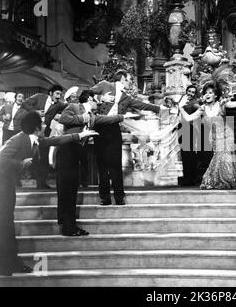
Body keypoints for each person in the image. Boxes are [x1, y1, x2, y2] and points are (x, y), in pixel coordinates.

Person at [0, 112, 97, 276]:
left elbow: (56, 140)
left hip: (6, 183)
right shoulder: (17, 139)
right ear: (35, 127)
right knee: (2, 225)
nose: (44, 125)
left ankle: (12, 263)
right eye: (41, 123)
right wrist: (21, 164)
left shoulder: (36, 139)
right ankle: (6, 266)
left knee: (7, 223)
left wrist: (80, 135)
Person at [57, 90, 128, 236]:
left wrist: (124, 116)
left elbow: (107, 119)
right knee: (66, 190)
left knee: (72, 190)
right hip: (66, 151)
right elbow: (63, 118)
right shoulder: (75, 107)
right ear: (89, 99)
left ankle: (69, 225)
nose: (99, 103)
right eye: (97, 100)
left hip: (75, 152)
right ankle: (67, 226)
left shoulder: (93, 117)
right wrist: (82, 118)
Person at [90, 70, 163, 205]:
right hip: (100, 129)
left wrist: (159, 108)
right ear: (123, 78)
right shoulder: (105, 85)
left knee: (116, 164)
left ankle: (119, 197)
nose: (131, 82)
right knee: (102, 165)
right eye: (129, 79)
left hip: (114, 130)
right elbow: (85, 95)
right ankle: (104, 197)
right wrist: (100, 99)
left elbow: (141, 105)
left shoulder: (126, 97)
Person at [179, 81, 236, 189]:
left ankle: (228, 181)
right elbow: (188, 118)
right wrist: (181, 107)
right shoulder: (202, 108)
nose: (207, 95)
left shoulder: (222, 104)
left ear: (215, 95)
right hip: (213, 137)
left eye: (210, 92)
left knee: (225, 158)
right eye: (206, 93)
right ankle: (220, 180)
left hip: (226, 135)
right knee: (219, 159)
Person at [21, 85, 64, 189]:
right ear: (50, 93)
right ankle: (34, 180)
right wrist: (35, 112)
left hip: (46, 134)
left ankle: (42, 182)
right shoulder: (39, 96)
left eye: (60, 94)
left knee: (44, 158)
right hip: (33, 132)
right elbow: (24, 103)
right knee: (34, 157)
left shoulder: (59, 104)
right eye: (57, 94)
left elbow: (69, 107)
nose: (58, 96)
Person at [178, 85, 201, 186]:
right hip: (182, 128)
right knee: (185, 154)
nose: (190, 93)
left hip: (190, 129)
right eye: (189, 91)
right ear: (186, 91)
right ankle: (188, 177)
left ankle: (191, 178)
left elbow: (198, 107)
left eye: (193, 92)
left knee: (189, 155)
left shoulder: (194, 102)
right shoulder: (181, 99)